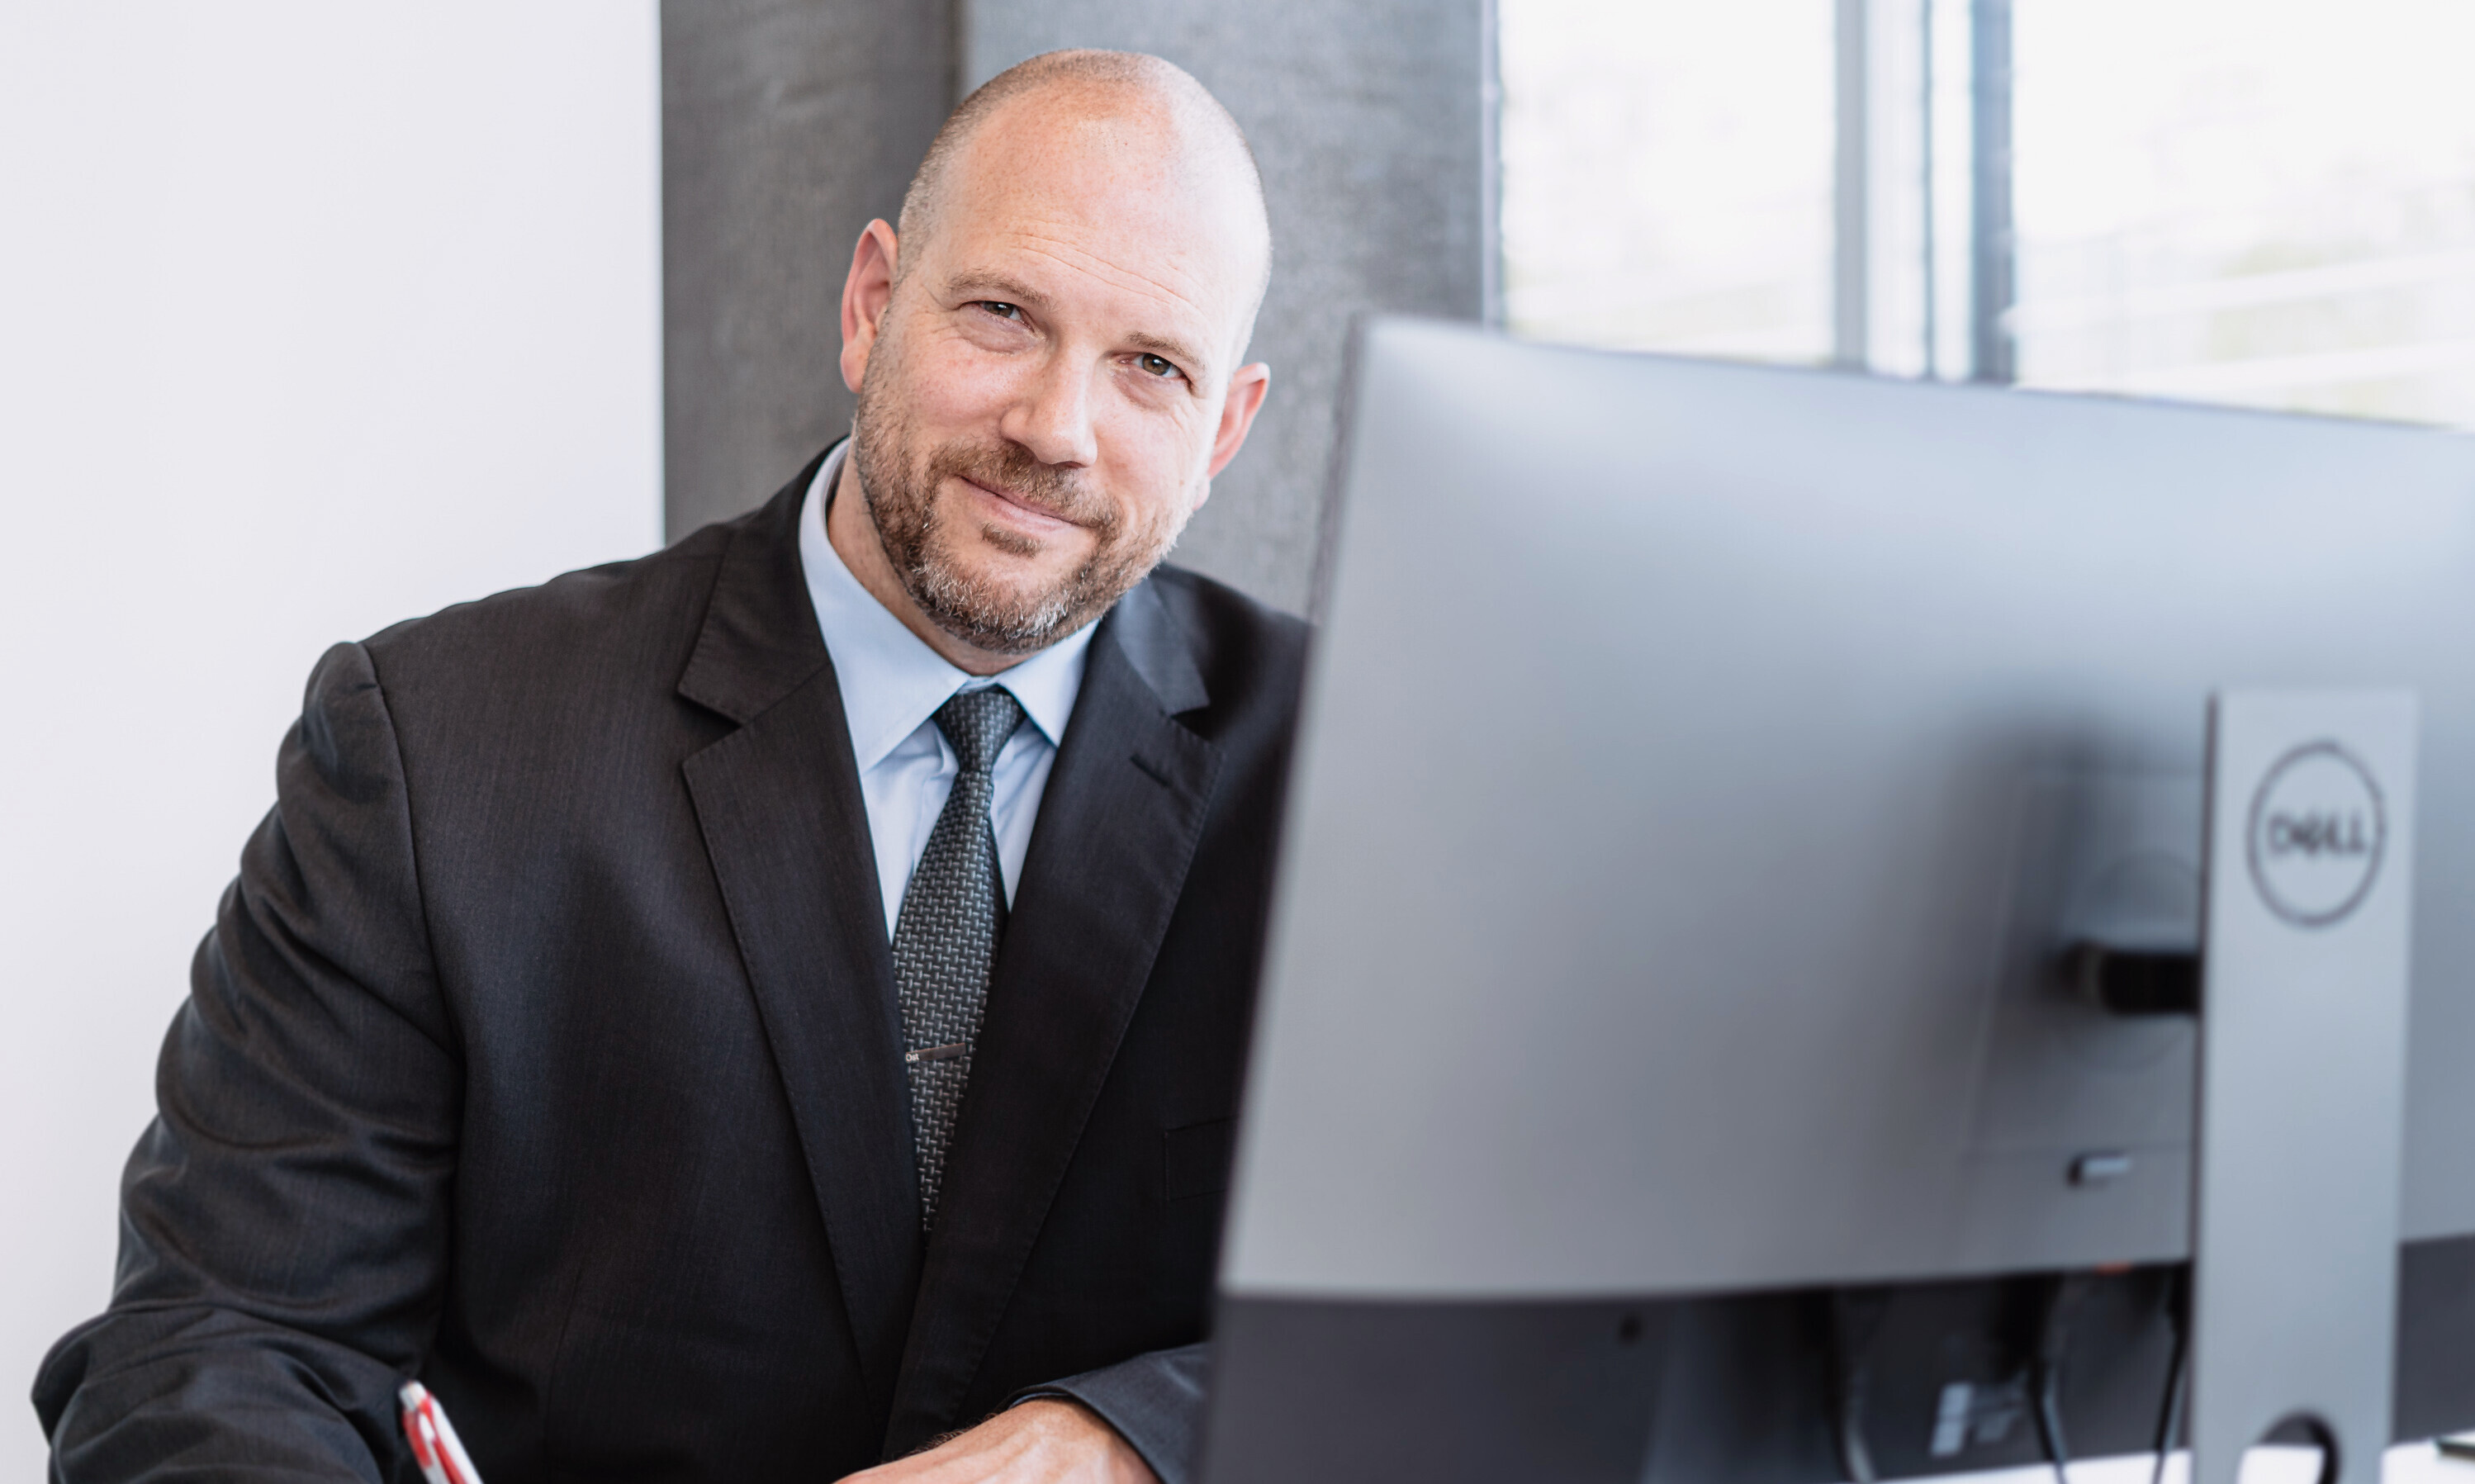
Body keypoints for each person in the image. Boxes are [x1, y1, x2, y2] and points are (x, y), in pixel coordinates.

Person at [35, 50, 1298, 1484]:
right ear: (871, 303)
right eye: (1003, 314)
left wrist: (1121, 1441)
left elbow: (1506, 1329)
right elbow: (213, 1347)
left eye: (1151, 367)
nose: (1055, 429)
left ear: (1226, 429)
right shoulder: (440, 743)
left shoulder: (1353, 781)